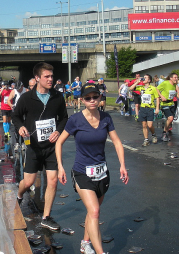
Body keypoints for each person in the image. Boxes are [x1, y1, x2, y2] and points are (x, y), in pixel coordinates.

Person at [55, 83, 128, 254]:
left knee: (93, 211)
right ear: (82, 100)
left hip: (102, 172)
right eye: (88, 98)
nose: (92, 100)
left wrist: (123, 165)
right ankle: (100, 252)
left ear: (100, 98)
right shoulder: (75, 120)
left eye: (95, 97)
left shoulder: (106, 118)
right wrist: (60, 166)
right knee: (94, 210)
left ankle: (85, 242)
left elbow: (117, 142)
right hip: (82, 172)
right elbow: (59, 142)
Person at [12, 62, 68, 231]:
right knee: (28, 182)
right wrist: (20, 127)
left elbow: (64, 118)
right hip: (33, 146)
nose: (51, 79)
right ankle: (19, 194)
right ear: (37, 78)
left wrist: (58, 131)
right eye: (47, 76)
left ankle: (46, 216)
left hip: (51, 147)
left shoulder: (57, 97)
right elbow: (16, 116)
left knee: (52, 181)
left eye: (52, 76)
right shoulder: (26, 98)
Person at [129, 74, 160, 146]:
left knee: (150, 125)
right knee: (144, 125)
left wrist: (157, 108)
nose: (143, 79)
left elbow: (157, 98)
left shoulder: (153, 88)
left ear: (149, 80)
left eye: (145, 78)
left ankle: (153, 134)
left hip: (150, 108)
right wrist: (137, 82)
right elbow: (131, 88)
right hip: (143, 108)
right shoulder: (141, 87)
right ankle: (146, 140)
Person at [157, 73, 179, 142]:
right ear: (171, 78)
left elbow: (173, 94)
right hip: (164, 104)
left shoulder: (174, 85)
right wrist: (161, 96)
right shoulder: (165, 83)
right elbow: (157, 89)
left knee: (171, 119)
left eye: (177, 77)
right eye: (175, 77)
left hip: (171, 103)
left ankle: (165, 132)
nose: (176, 79)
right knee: (170, 118)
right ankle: (164, 133)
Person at [8, 80, 28, 151]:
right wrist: (11, 105)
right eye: (17, 89)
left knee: (25, 126)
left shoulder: (26, 90)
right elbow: (8, 100)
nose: (18, 90)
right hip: (16, 110)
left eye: (19, 88)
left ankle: (23, 143)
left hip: (24, 110)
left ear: (22, 86)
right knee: (17, 127)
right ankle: (17, 143)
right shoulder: (14, 91)